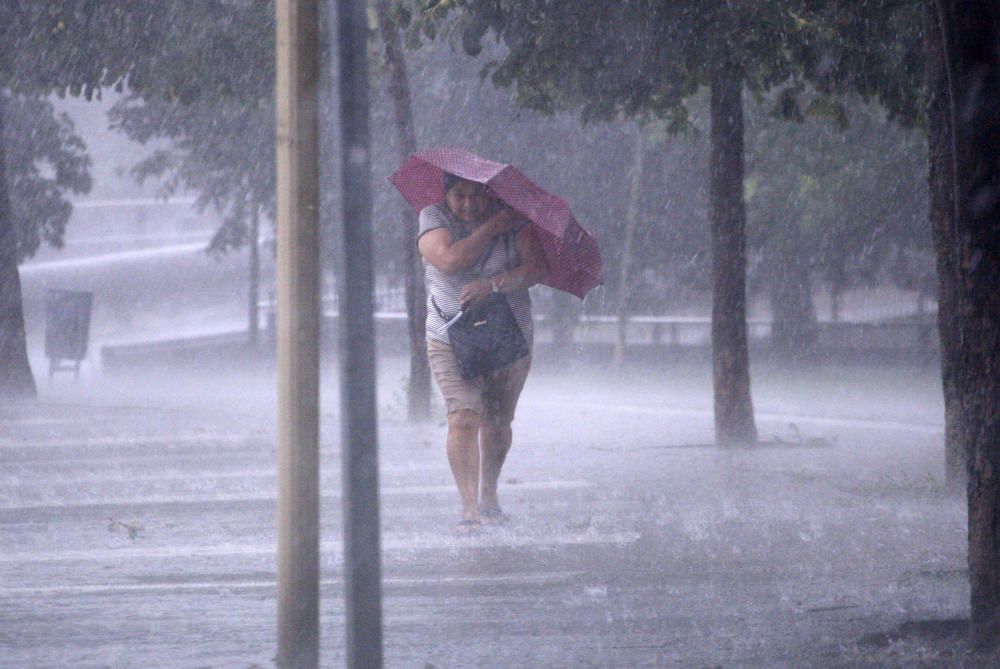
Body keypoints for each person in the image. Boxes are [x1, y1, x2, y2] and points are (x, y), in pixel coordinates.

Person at [417, 173, 548, 533]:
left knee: (498, 421)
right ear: (446, 194)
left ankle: (489, 495)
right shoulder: (433, 218)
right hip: (449, 334)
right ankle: (469, 509)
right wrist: (492, 228)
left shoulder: (517, 220)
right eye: (459, 195)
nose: (469, 203)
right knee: (462, 416)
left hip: (510, 335)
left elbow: (537, 267)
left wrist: (493, 285)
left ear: (491, 193)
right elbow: (449, 260)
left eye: (477, 195)